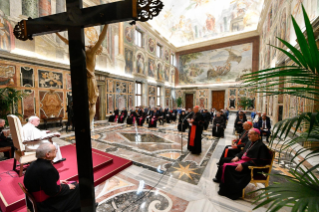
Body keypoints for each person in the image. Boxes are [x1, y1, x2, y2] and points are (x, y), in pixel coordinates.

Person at [57, 25, 109, 128]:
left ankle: (88, 124)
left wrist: (107, 24)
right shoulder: (86, 51)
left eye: (95, 44)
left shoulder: (91, 52)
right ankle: (87, 124)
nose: (92, 44)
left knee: (90, 103)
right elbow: (69, 42)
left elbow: (101, 38)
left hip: (87, 79)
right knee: (89, 103)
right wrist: (57, 34)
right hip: (86, 78)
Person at [213, 128, 272, 200]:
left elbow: (259, 162)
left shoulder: (261, 146)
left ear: (257, 136)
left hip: (250, 168)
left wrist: (244, 165)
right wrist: (237, 157)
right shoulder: (250, 142)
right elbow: (243, 152)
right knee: (224, 161)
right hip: (242, 161)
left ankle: (231, 192)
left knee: (228, 167)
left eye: (250, 134)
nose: (248, 136)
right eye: (248, 134)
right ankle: (222, 185)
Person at [24, 143, 81, 211]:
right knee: (77, 187)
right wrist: (67, 187)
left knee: (73, 184)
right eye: (54, 150)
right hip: (46, 205)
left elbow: (41, 181)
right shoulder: (47, 169)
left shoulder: (34, 164)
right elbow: (54, 192)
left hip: (38, 198)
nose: (56, 151)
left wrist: (57, 182)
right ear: (47, 154)